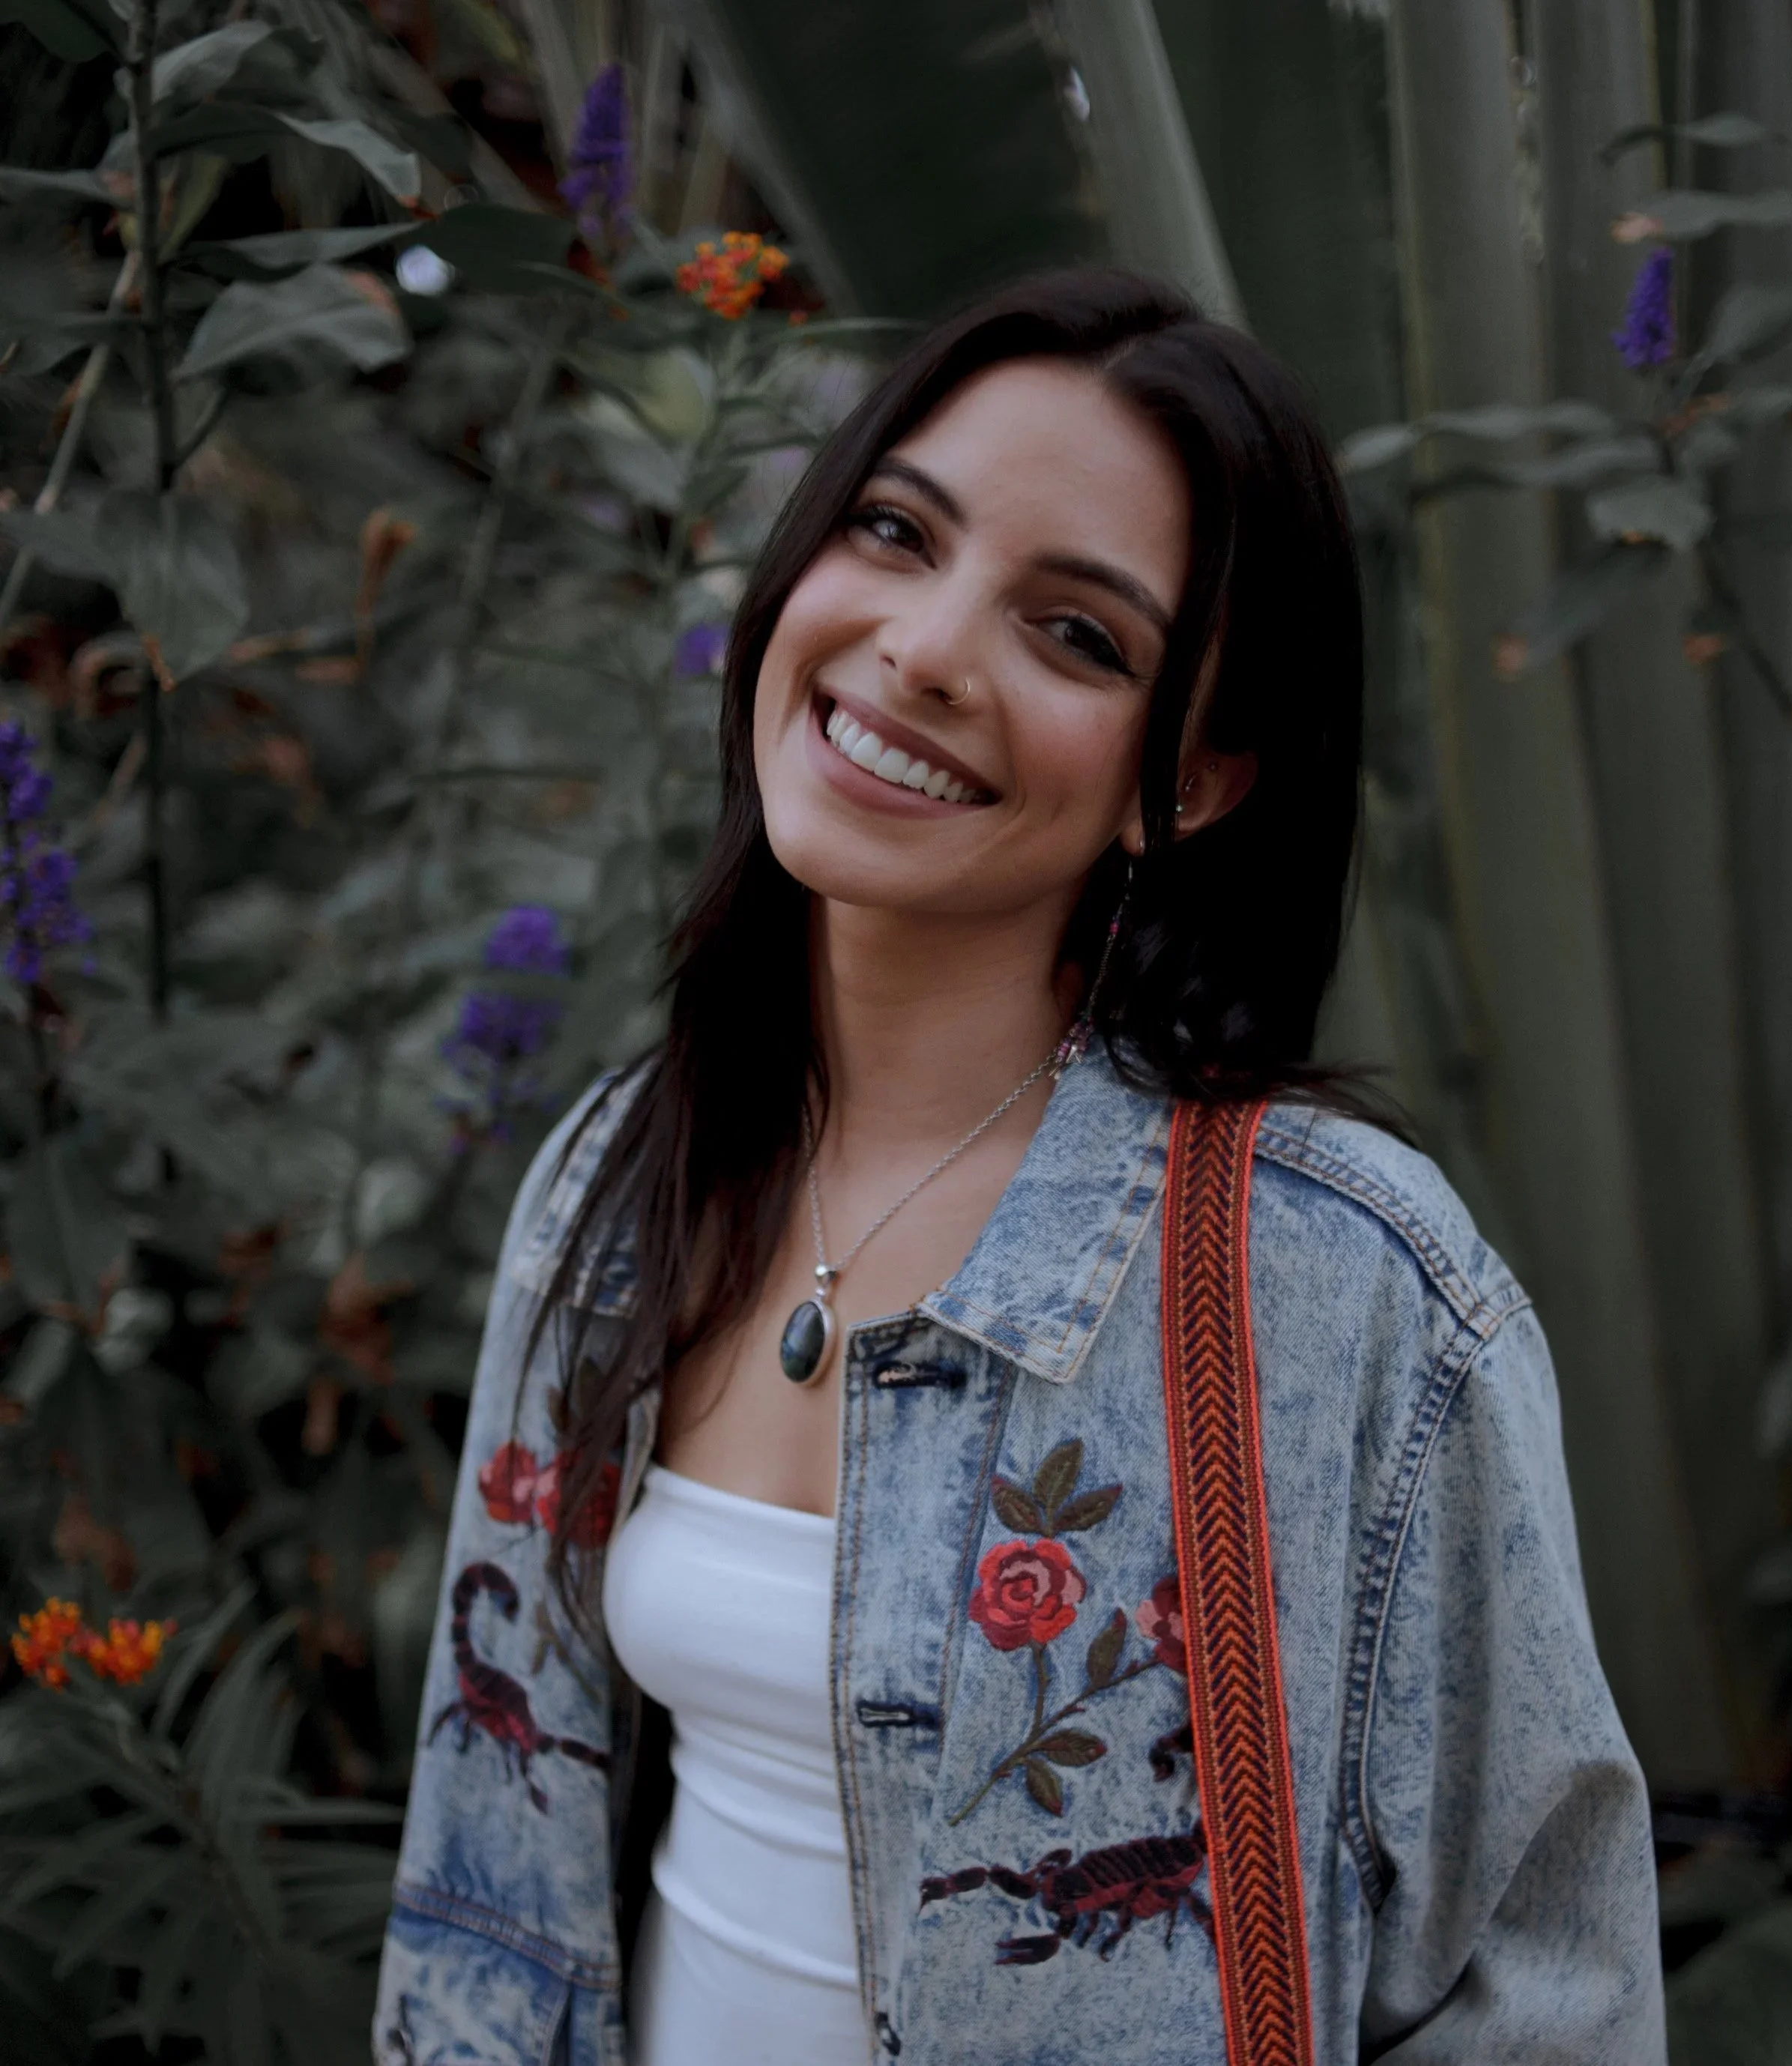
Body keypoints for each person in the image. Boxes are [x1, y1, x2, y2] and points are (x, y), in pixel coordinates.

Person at [373, 270, 1665, 2066]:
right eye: (895, 531)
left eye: (1074, 634)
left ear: (1191, 779)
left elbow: (1545, 1997)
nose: (921, 648)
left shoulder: (1339, 1289)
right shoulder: (622, 1175)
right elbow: (488, 1857)